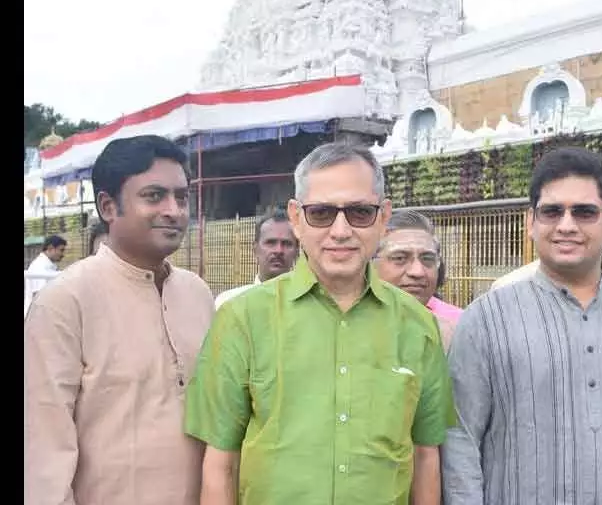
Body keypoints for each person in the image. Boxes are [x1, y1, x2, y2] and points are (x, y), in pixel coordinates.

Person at [185, 142, 456, 505]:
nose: (341, 230)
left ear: (383, 217)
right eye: (322, 213)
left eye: (359, 212)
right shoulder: (242, 319)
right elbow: (220, 462)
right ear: (296, 218)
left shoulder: (419, 326)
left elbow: (426, 456)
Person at [442, 146, 602, 505]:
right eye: (552, 212)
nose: (566, 225)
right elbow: (460, 441)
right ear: (531, 223)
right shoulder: (486, 318)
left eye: (585, 212)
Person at [25, 135, 215, 505]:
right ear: (108, 207)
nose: (174, 210)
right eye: (154, 196)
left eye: (181, 197)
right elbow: (41, 447)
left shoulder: (197, 294)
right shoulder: (65, 302)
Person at [374, 209, 463, 350]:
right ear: (370, 265)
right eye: (400, 258)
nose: (418, 272)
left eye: (427, 259)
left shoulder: (458, 334)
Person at [214, 210, 299, 309]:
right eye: (271, 242)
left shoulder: (308, 307)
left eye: (286, 243)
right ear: (255, 249)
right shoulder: (229, 303)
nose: (278, 250)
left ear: (297, 252)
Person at [25, 234, 67, 299]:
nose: (63, 254)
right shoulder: (39, 266)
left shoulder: (49, 265)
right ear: (50, 248)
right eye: (61, 250)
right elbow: (39, 296)